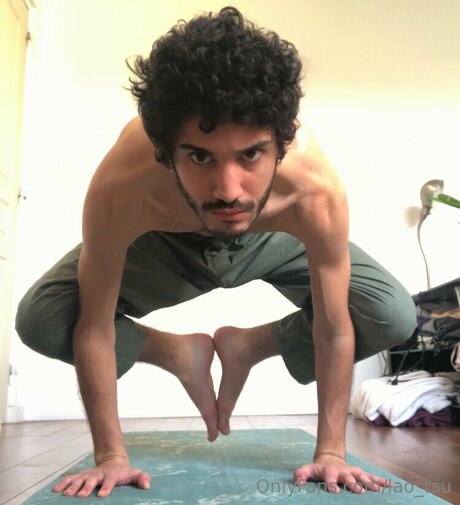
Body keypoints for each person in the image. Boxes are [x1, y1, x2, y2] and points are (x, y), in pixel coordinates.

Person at [15, 6, 416, 499]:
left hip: (273, 236)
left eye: (251, 154)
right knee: (41, 318)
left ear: (282, 143)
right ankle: (176, 351)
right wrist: (111, 456)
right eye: (200, 156)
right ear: (166, 151)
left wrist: (331, 452)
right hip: (163, 240)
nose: (228, 190)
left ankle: (250, 345)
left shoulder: (313, 188)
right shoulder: (122, 186)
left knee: (391, 314)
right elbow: (95, 327)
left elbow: (334, 328)